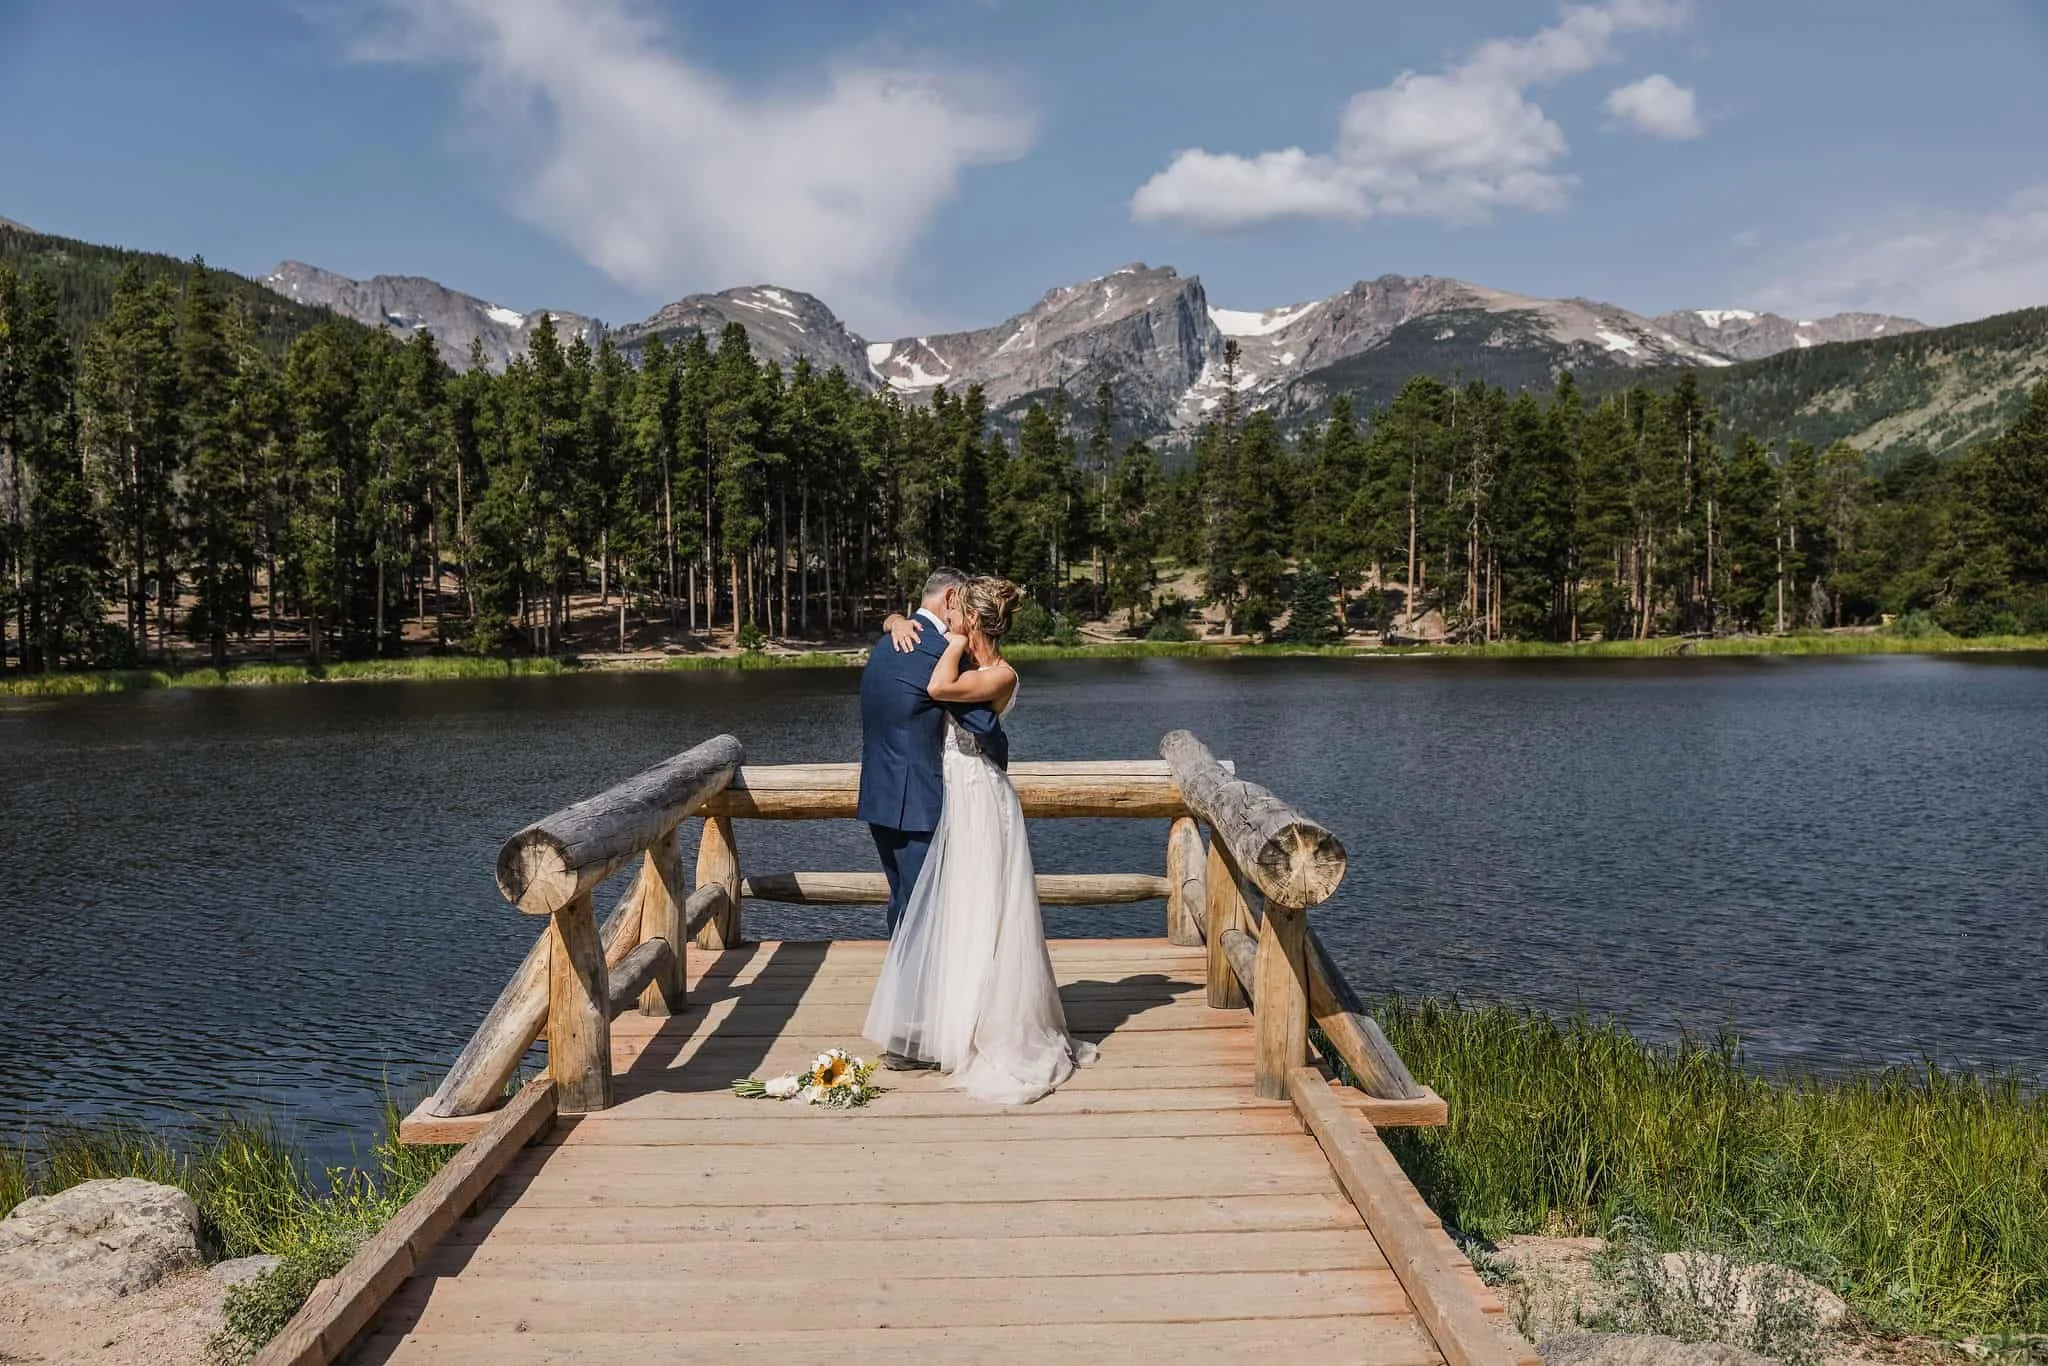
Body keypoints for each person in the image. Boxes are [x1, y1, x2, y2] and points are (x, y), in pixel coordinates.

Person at [863, 575, 1096, 1104]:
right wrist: (897, 619)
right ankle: (947, 1020)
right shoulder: (948, 651)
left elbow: (940, 693)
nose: (949, 622)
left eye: (958, 616)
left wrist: (943, 640)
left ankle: (963, 1025)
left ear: (971, 619)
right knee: (953, 909)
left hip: (974, 794)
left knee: (977, 907)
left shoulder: (993, 672)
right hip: (949, 793)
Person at [856, 567, 1009, 1070]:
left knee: (903, 909)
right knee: (930, 917)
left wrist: (891, 618)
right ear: (947, 600)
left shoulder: (887, 646)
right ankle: (917, 1038)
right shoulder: (928, 651)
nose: (962, 614)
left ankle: (907, 1021)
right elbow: (984, 724)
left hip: (881, 798)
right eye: (959, 604)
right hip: (919, 801)